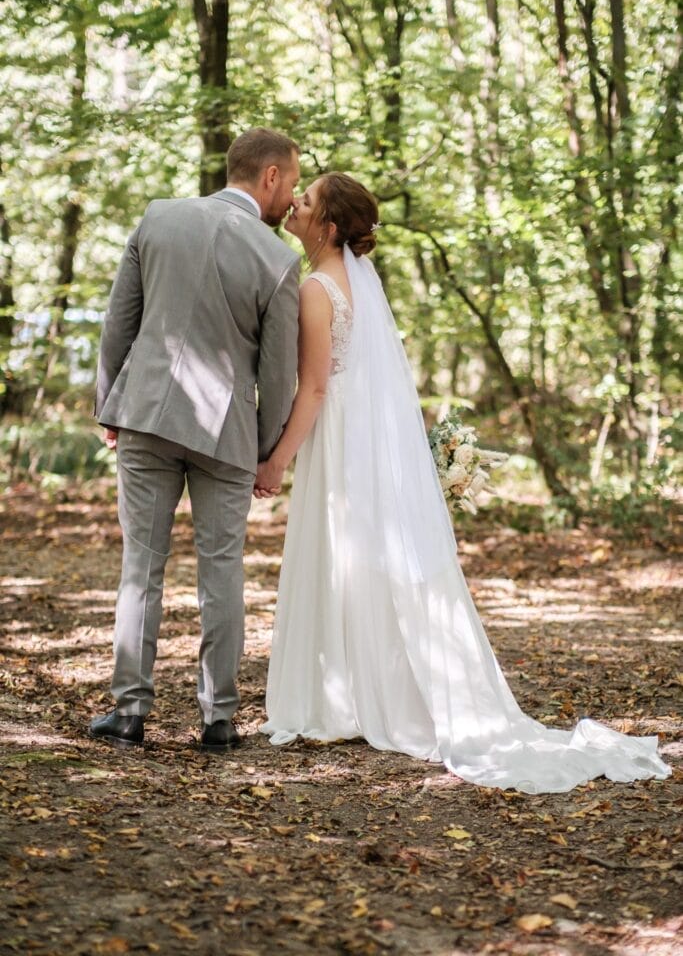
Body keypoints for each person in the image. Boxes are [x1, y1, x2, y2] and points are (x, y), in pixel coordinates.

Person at [255, 172, 671, 794]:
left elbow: (314, 388)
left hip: (340, 439)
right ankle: (360, 689)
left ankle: (346, 696)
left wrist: (277, 459)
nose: (295, 203)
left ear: (329, 226)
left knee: (343, 556)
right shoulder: (357, 286)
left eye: (306, 201)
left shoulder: (318, 288)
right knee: (359, 559)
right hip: (362, 438)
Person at [90, 127, 301, 753]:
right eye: (290, 181)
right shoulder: (277, 259)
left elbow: (118, 322)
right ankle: (219, 719)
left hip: (147, 417)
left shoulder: (158, 219)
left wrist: (109, 407)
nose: (292, 197)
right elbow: (278, 374)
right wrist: (265, 452)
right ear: (268, 177)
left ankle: (129, 712)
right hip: (226, 435)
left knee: (141, 566)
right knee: (221, 572)